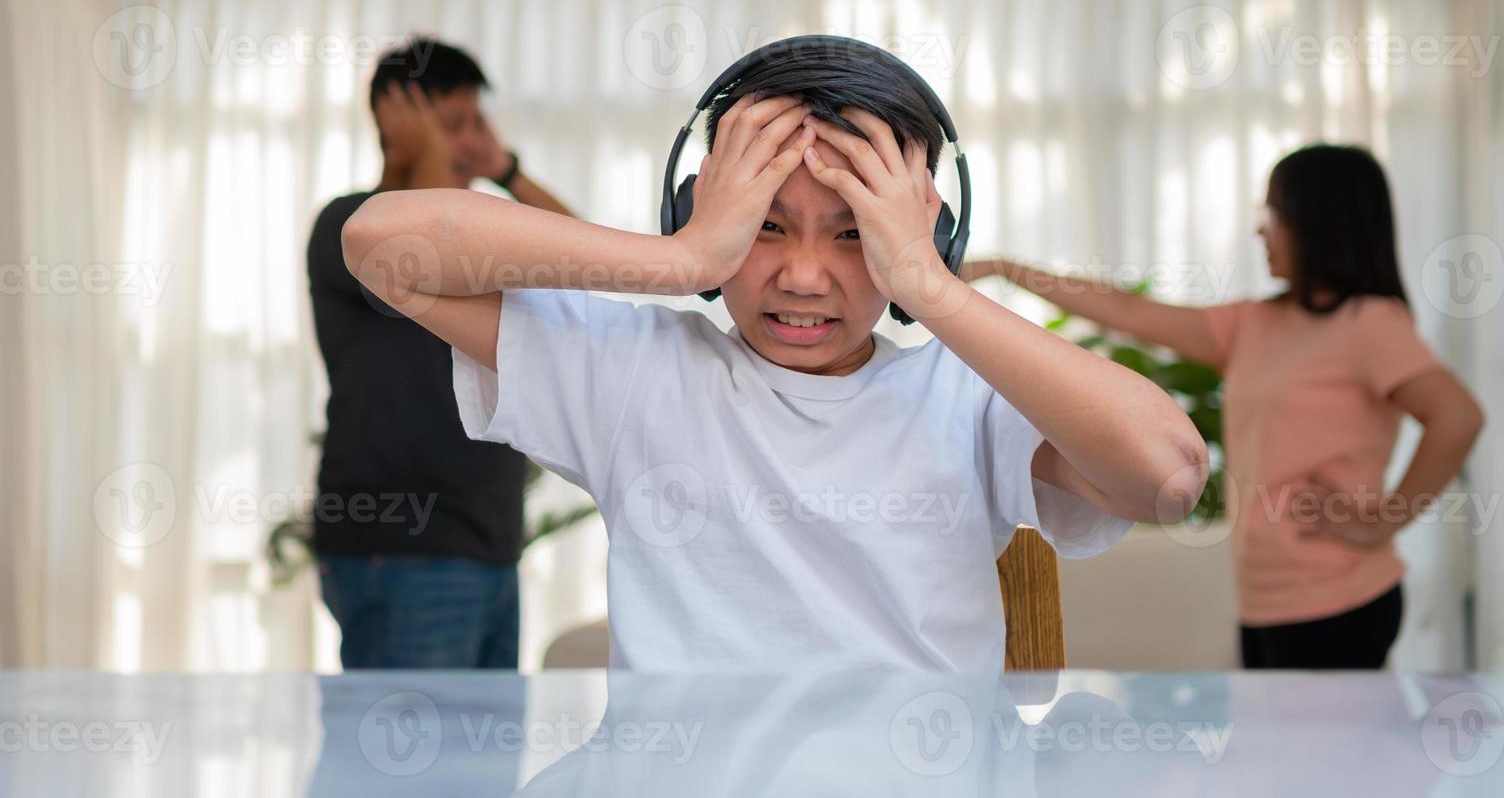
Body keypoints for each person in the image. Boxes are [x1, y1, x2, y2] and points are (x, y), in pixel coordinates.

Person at [339, 37, 1207, 671]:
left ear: (931, 235)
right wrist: (681, 259)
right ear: (699, 210)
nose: (802, 274)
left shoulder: (967, 394)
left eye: (853, 234)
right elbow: (380, 242)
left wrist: (930, 286)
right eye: (765, 227)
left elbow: (1168, 477)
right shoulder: (635, 371)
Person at [962, 143, 1485, 670]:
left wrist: (1384, 519)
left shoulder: (1370, 324)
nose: (1262, 231)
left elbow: (1458, 416)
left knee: (1321, 754)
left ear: (1319, 222)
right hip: (1263, 599)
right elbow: (1126, 311)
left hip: (1342, 598)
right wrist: (1007, 269)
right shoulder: (1252, 326)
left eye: (1273, 215)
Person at [306, 38, 575, 669]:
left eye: (474, 124)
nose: (465, 144)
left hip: (489, 544)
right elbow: (434, 245)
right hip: (400, 549)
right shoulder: (348, 227)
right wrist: (426, 153)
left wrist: (506, 170)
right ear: (393, 125)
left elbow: (574, 262)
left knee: (482, 766)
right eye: (451, 126)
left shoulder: (482, 228)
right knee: (402, 768)